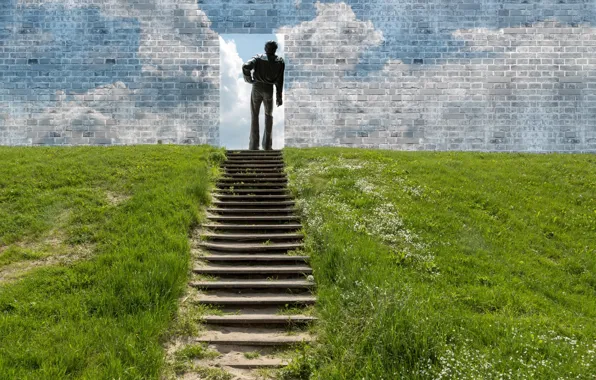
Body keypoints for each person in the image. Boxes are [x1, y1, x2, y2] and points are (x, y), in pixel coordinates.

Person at [242, 40, 285, 150]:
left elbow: (246, 66)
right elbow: (280, 81)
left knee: (255, 115)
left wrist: (248, 79)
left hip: (257, 87)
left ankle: (253, 145)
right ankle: (267, 146)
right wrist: (279, 97)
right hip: (269, 89)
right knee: (268, 116)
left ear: (266, 49)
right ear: (275, 49)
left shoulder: (258, 57)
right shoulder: (280, 61)